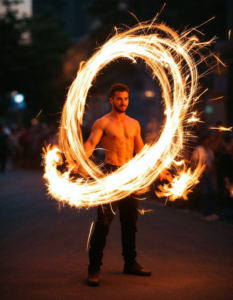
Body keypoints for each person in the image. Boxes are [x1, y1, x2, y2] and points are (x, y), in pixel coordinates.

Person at [73, 84, 169, 287]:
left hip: (130, 175)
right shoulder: (103, 122)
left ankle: (130, 263)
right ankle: (94, 268)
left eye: (125, 98)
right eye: (118, 99)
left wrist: (159, 170)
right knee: (103, 224)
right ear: (111, 100)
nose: (123, 102)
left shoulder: (134, 124)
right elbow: (90, 144)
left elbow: (141, 152)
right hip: (111, 173)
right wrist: (77, 162)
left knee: (130, 224)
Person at [192, 134, 218, 221]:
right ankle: (205, 213)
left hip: (210, 174)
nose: (207, 141)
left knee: (212, 193)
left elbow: (212, 161)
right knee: (206, 193)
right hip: (204, 173)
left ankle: (212, 212)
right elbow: (198, 161)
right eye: (206, 139)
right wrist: (206, 168)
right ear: (203, 140)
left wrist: (214, 171)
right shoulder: (199, 149)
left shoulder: (209, 150)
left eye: (208, 140)